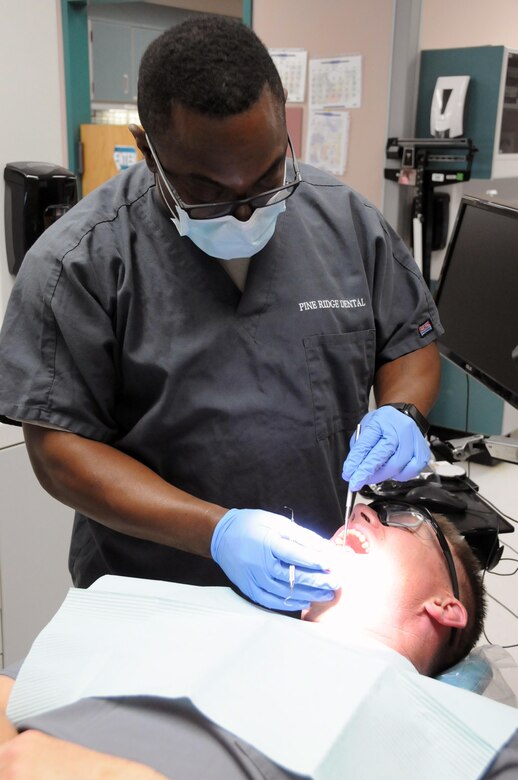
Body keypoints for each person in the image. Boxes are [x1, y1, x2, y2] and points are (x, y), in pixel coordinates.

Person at [0, 16, 442, 611]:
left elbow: (408, 339)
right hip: (154, 597)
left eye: (265, 179)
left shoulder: (345, 222)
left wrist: (402, 412)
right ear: (148, 149)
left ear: (283, 121)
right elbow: (59, 451)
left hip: (315, 590)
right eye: (208, 189)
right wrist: (217, 531)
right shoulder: (79, 263)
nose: (243, 211)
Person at [0, 501, 491, 779]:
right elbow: (8, 689)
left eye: (403, 520)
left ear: (445, 606)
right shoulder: (194, 615)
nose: (363, 510)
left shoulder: (463, 739)